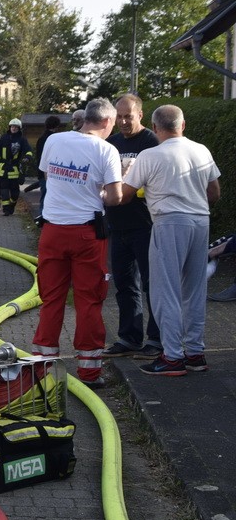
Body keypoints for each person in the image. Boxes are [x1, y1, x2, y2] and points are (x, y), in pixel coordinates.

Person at [121, 105, 221, 376]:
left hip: (169, 223)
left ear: (154, 128)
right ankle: (195, 353)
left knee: (166, 291)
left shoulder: (149, 155)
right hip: (201, 220)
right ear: (183, 124)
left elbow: (126, 195)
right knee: (194, 289)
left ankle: (172, 357)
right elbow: (214, 191)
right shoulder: (201, 150)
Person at [31, 98, 123, 390]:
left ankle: (42, 370)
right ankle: (89, 373)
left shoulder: (54, 141)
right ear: (107, 122)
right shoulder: (107, 150)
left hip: (52, 231)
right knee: (89, 301)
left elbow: (48, 175)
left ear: (85, 118)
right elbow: (116, 197)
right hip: (87, 234)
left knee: (51, 299)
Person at [102, 94, 162, 360]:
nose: (124, 122)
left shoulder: (152, 142)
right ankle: (129, 336)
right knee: (125, 285)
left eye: (129, 116)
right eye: (120, 117)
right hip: (118, 224)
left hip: (146, 225)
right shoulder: (111, 143)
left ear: (140, 114)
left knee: (152, 284)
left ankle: (157, 339)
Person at [0, 118, 33, 216]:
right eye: (12, 126)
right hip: (3, 169)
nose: (14, 128)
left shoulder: (22, 139)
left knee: (15, 193)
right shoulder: (4, 138)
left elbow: (28, 150)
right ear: (9, 127)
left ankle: (11, 206)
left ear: (19, 128)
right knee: (4, 192)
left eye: (16, 127)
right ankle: (6, 209)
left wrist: (27, 158)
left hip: (15, 169)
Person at [32, 115, 61, 219]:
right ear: (56, 126)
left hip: (42, 172)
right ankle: (43, 218)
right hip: (50, 172)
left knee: (45, 196)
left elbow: (40, 157)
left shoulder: (42, 138)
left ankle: (42, 218)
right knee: (47, 197)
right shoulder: (54, 139)